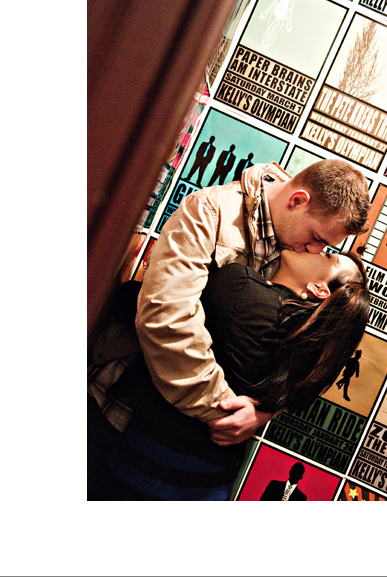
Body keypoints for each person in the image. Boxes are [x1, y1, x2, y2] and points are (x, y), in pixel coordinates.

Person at [87, 159, 369, 494]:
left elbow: (296, 352)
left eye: (326, 248)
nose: (315, 250)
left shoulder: (299, 253)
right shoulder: (210, 210)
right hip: (116, 404)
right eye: (316, 238)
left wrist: (262, 411)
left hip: (185, 446)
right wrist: (225, 410)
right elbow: (166, 316)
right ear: (297, 201)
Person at [95, 248, 370, 500]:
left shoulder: (241, 288)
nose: (316, 249)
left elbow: (142, 302)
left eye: (328, 256)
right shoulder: (302, 349)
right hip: (211, 481)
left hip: (154, 467)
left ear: (319, 289)